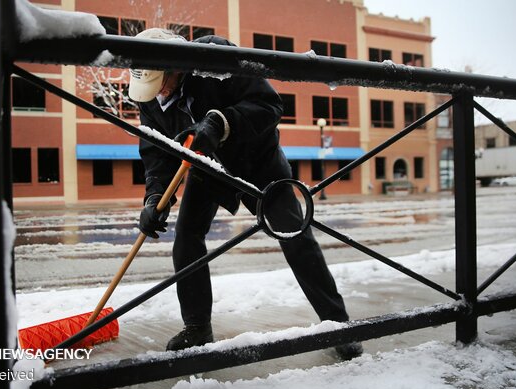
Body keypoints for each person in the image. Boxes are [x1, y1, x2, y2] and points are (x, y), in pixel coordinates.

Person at [128, 28, 362, 360]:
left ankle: (338, 326)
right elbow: (156, 152)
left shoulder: (214, 58)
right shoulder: (150, 97)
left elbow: (269, 105)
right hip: (206, 167)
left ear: (175, 66)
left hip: (258, 162)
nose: (159, 93)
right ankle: (197, 327)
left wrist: (221, 123)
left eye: (162, 82)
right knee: (186, 237)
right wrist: (153, 198)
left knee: (294, 234)